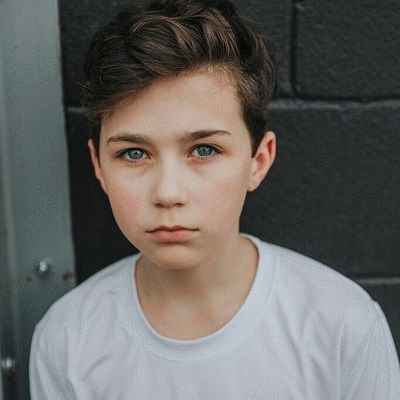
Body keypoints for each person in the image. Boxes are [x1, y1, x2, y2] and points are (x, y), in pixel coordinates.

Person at [29, 0, 400, 398]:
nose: (168, 193)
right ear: (98, 165)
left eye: (204, 150)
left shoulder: (342, 327)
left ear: (258, 160)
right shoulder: (67, 340)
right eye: (133, 153)